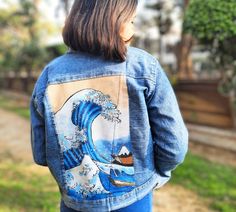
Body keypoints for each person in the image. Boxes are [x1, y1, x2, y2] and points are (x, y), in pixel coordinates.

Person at [29, 0, 189, 211]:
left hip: (75, 203)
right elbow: (174, 146)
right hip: (134, 200)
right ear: (114, 21)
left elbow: (41, 153)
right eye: (131, 21)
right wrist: (159, 173)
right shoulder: (143, 66)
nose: (133, 28)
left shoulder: (50, 74)